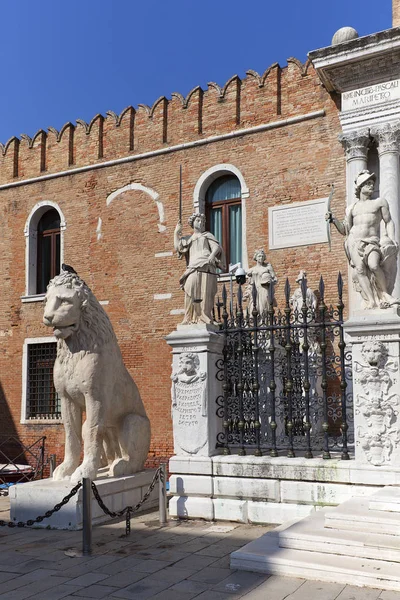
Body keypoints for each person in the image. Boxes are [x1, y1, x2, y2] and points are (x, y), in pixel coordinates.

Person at [326, 170, 399, 309]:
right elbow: (345, 230)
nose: (371, 186)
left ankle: (385, 293)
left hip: (371, 241)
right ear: (360, 187)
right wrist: (333, 220)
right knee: (360, 270)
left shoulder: (379, 202)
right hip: (354, 241)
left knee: (374, 265)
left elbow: (389, 221)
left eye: (372, 183)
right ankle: (371, 300)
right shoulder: (351, 208)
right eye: (368, 184)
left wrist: (392, 239)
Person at [174, 213, 226, 324]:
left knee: (205, 292)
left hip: (206, 265)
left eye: (202, 221)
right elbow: (178, 247)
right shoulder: (188, 239)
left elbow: (216, 247)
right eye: (198, 220)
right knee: (189, 289)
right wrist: (176, 232)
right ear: (192, 223)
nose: (201, 223)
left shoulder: (207, 235)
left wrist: (212, 256)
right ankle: (188, 317)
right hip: (193, 267)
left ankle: (204, 317)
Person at [244, 248, 277, 319]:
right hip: (255, 290)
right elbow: (250, 283)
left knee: (265, 307)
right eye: (259, 256)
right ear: (256, 257)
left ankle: (265, 324)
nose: (261, 258)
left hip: (265, 289)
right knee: (255, 308)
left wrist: (270, 281)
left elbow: (275, 279)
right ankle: (258, 325)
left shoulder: (268, 267)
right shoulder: (251, 270)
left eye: (262, 256)